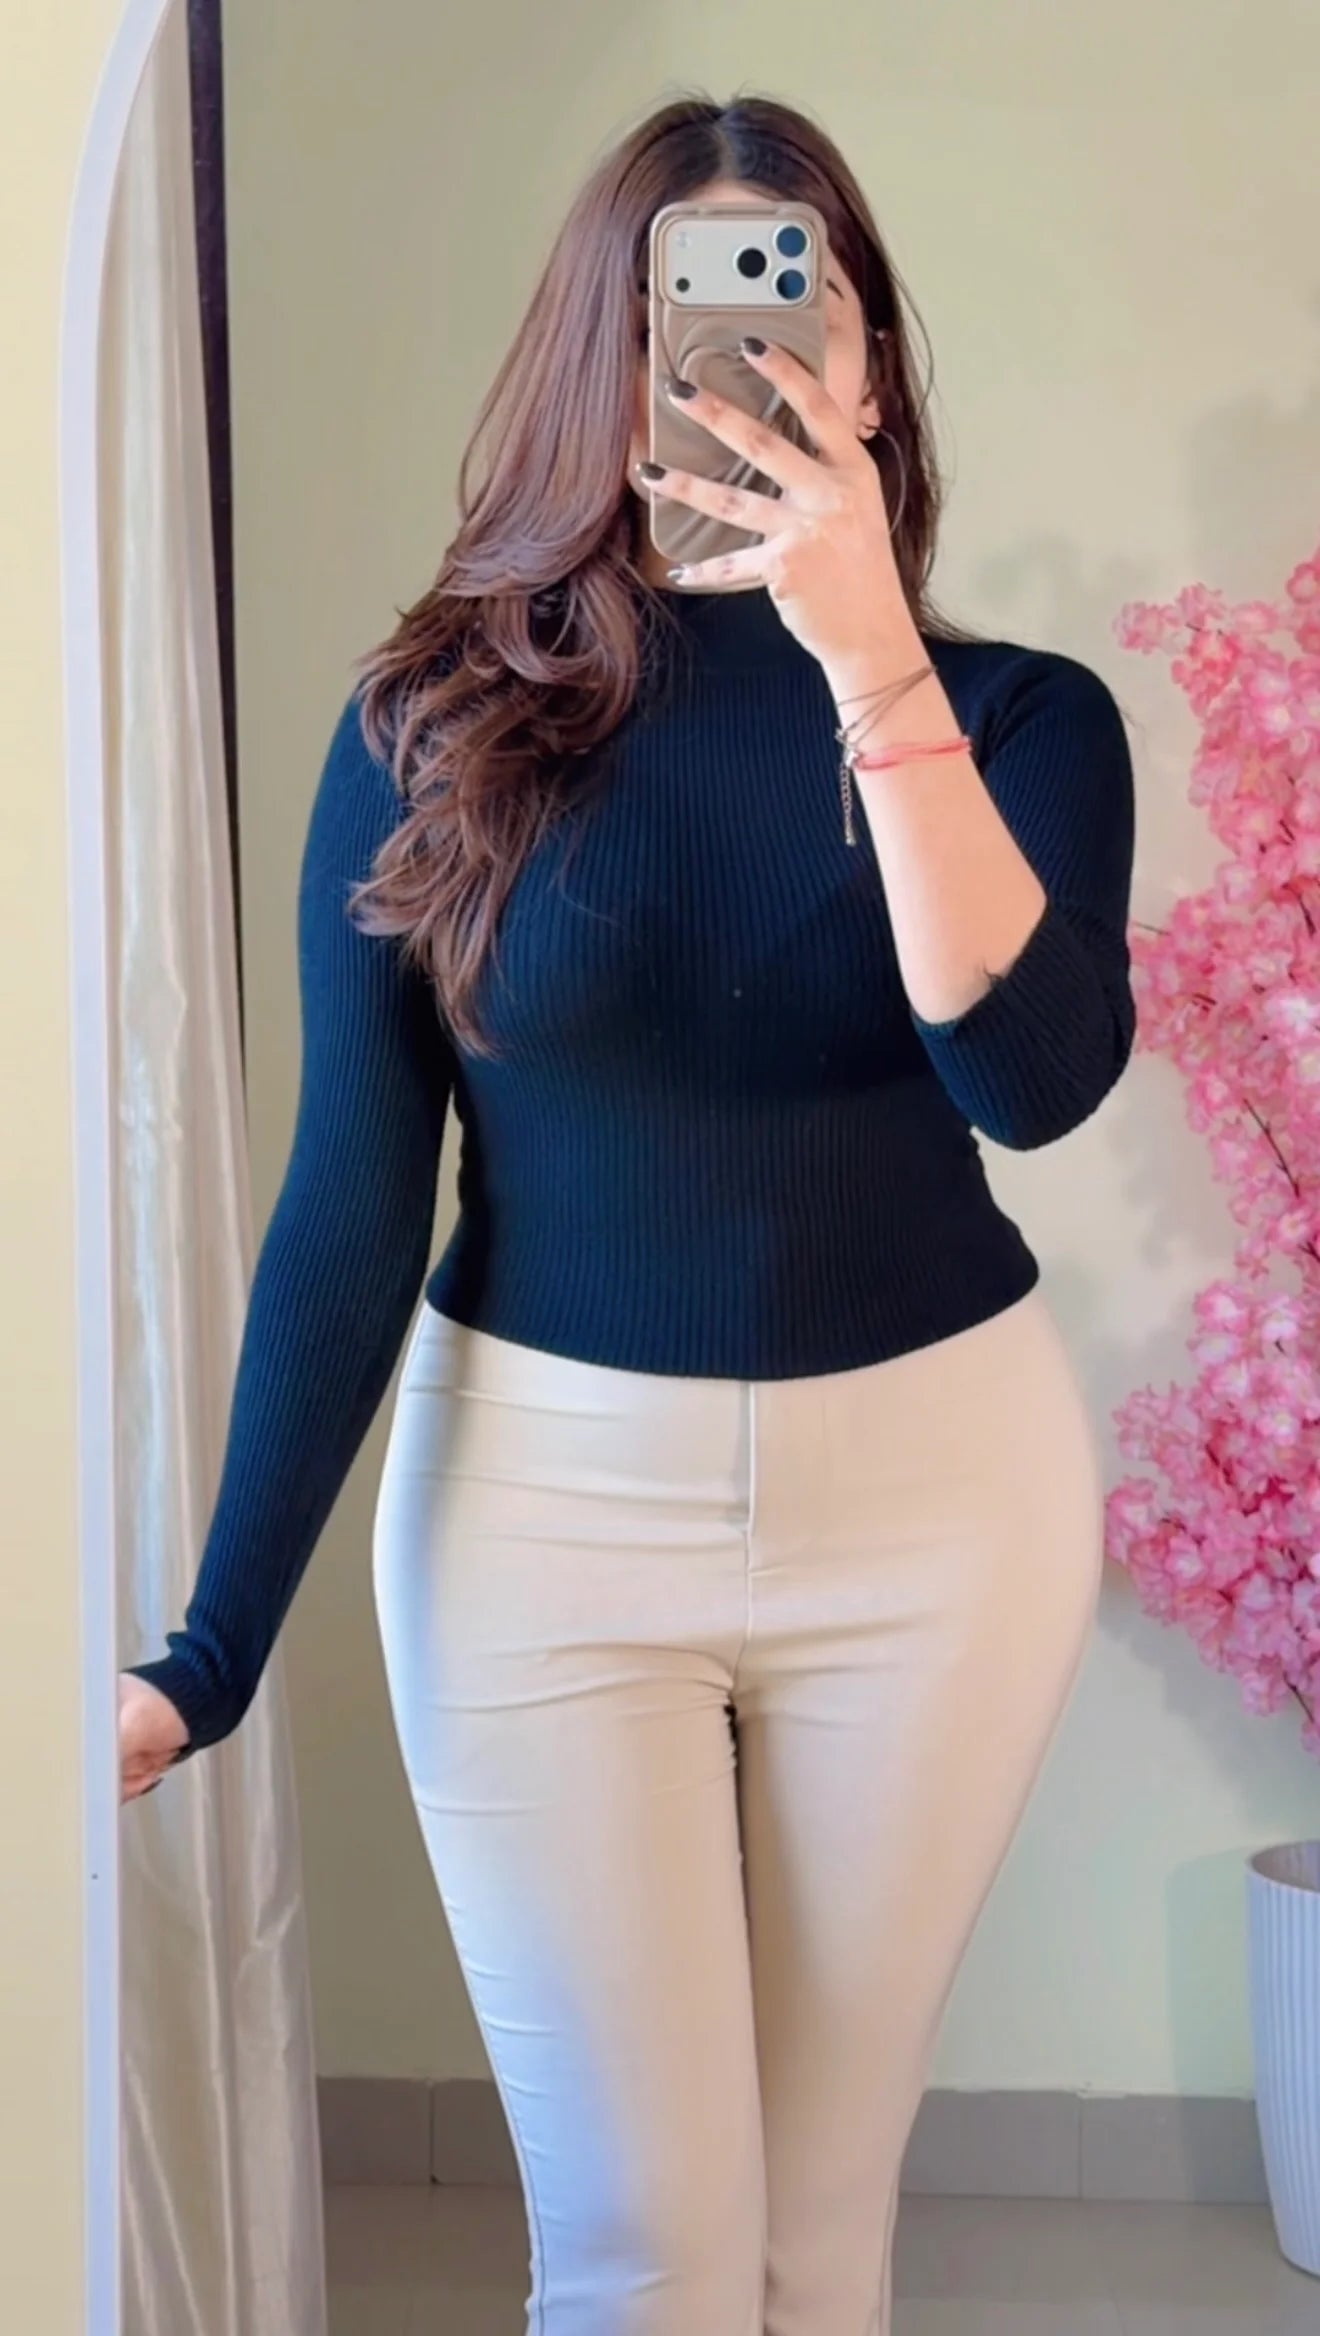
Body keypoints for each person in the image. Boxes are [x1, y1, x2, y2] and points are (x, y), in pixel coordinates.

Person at [121, 91, 1136, 2336]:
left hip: (941, 1511)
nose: (754, 357)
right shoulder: (434, 727)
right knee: (643, 2255)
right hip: (540, 1525)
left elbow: (1037, 1080)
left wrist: (871, 665)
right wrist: (206, 1655)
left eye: (806, 303)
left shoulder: (1020, 718)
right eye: (696, 309)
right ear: (609, 353)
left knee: (810, 2241)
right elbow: (352, 1201)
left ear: (874, 368)